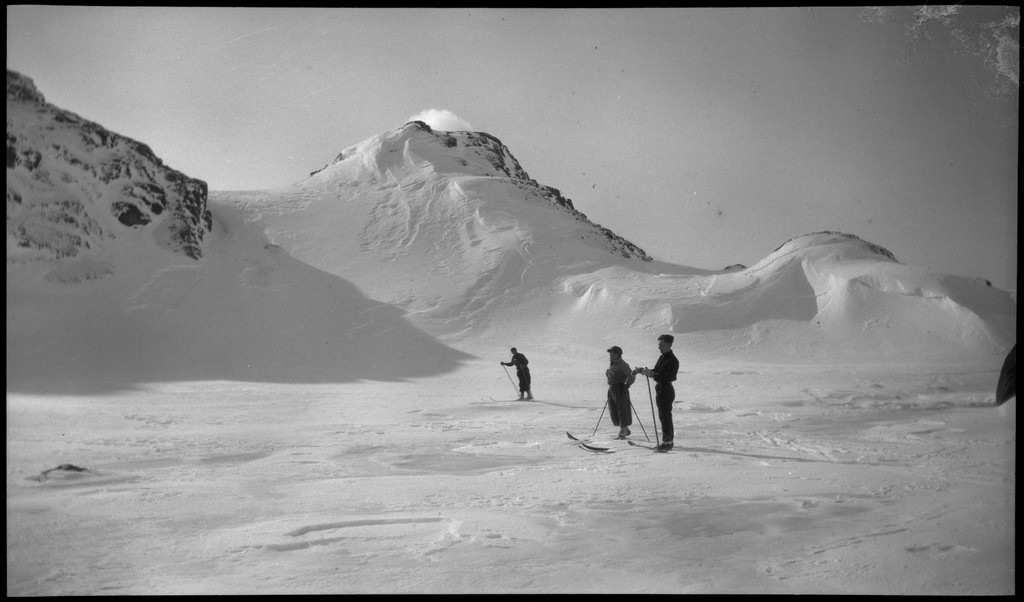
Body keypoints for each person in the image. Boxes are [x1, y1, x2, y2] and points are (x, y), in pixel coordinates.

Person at [634, 334, 680, 451]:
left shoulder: (672, 360)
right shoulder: (662, 357)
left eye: (662, 345)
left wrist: (652, 374)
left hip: (666, 389)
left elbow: (668, 377)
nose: (659, 347)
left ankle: (668, 441)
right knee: (662, 415)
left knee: (665, 416)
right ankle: (666, 440)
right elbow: (657, 371)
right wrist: (644, 371)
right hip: (660, 388)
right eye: (659, 345)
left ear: (669, 345)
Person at [606, 346, 636, 439]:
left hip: (619, 388)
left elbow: (631, 375)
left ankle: (623, 430)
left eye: (612, 354)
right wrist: (608, 374)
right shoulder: (613, 363)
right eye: (610, 354)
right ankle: (625, 429)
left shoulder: (622, 364)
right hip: (612, 388)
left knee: (621, 409)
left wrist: (627, 386)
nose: (610, 355)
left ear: (617, 354)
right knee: (613, 409)